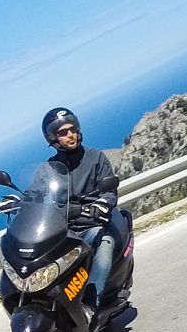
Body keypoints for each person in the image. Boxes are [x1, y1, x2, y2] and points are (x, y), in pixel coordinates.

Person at [41, 107, 130, 317]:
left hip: (91, 225)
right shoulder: (49, 168)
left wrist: (103, 204)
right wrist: (19, 202)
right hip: (63, 231)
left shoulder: (96, 158)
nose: (69, 134)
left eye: (72, 129)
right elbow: (37, 195)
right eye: (62, 132)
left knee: (105, 243)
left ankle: (91, 304)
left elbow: (109, 192)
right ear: (53, 138)